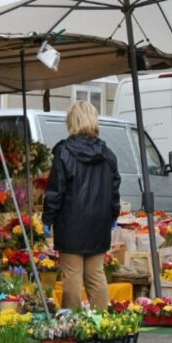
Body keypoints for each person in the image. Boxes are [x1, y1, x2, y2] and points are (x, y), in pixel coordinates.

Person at [42, 101, 121, 311]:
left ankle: (74, 325)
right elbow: (114, 190)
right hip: (99, 224)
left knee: (72, 276)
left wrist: (47, 219)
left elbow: (55, 191)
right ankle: (100, 322)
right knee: (96, 276)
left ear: (72, 121)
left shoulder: (64, 152)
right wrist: (113, 216)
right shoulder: (107, 154)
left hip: (70, 224)